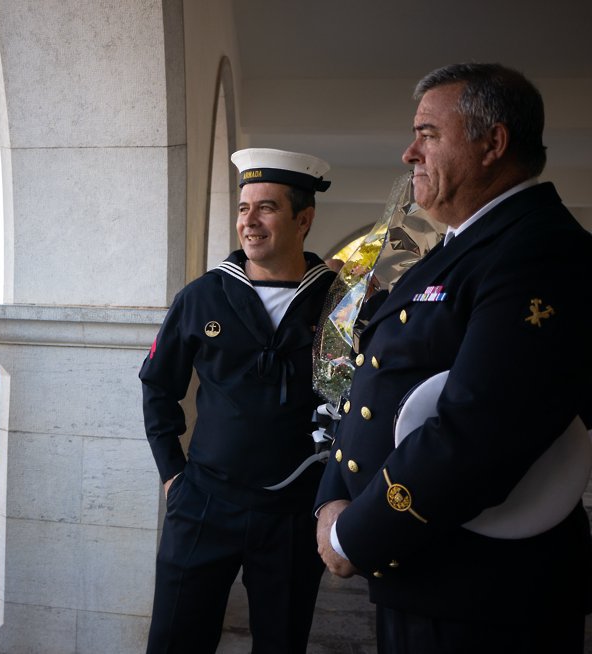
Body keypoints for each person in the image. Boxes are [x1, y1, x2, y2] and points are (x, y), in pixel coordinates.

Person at [315, 63, 592, 654]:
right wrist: (331, 499)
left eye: (428, 134)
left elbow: (481, 429)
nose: (409, 152)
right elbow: (377, 380)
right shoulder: (461, 249)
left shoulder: (538, 249)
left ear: (493, 143)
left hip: (485, 596)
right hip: (426, 576)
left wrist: (353, 535)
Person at [139, 148, 336, 653]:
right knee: (174, 641)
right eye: (244, 208)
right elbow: (159, 385)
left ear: (304, 219)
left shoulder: (339, 303)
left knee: (281, 643)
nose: (249, 221)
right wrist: (173, 475)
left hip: (293, 515)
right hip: (203, 502)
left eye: (266, 207)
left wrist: (337, 493)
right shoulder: (203, 296)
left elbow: (359, 404)